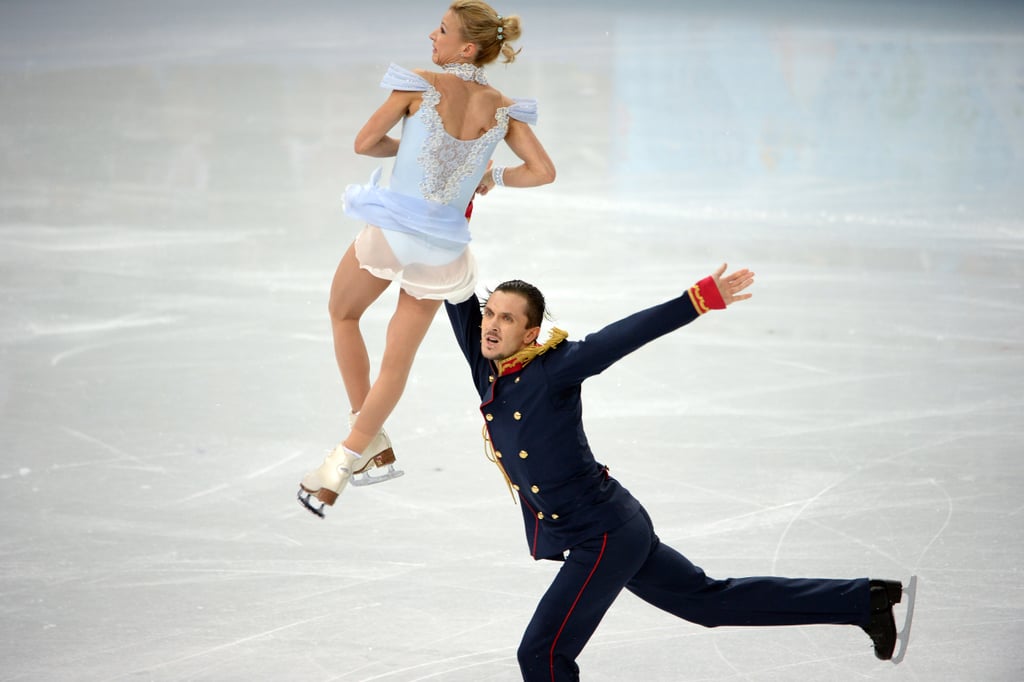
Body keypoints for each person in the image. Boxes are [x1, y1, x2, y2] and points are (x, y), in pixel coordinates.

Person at [444, 266, 909, 680]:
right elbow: (449, 282)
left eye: (508, 318)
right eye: (490, 314)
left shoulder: (555, 370)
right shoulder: (485, 365)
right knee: (708, 602)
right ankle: (863, 600)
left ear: (531, 333)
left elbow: (619, 337)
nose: (491, 325)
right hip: (610, 525)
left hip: (601, 534)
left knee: (542, 655)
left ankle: (862, 601)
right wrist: (444, 217)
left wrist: (696, 300)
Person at [298, 1, 556, 517]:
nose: (430, 35)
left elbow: (365, 143)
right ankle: (346, 460)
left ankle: (366, 438)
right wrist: (491, 175)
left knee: (343, 314)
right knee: (398, 362)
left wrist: (412, 149)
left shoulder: (420, 84)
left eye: (441, 30)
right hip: (442, 250)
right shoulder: (503, 108)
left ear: (466, 47)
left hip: (393, 231)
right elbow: (543, 171)